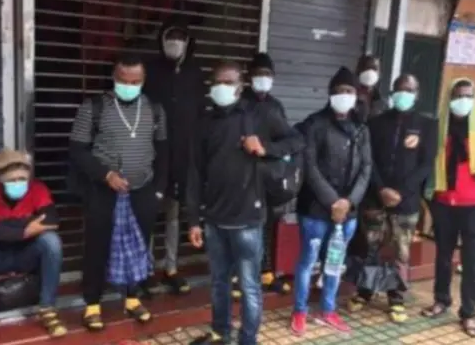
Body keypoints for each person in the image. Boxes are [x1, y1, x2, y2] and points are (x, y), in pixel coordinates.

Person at [187, 60, 304, 345]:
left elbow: (297, 140)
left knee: (250, 286)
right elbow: (194, 172)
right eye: (217, 83)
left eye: (228, 82)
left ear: (240, 87)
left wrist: (265, 148)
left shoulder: (258, 115)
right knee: (219, 283)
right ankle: (220, 333)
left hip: (248, 221)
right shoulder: (205, 122)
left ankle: (247, 339)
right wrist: (193, 220)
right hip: (214, 219)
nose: (221, 88)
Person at [69, 53, 167, 331]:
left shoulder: (155, 110)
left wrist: (158, 190)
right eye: (123, 80)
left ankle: (133, 299)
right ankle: (92, 303)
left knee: (139, 246)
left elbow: (164, 151)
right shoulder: (94, 107)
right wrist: (105, 174)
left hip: (143, 191)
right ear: (114, 78)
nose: (129, 85)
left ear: (144, 80)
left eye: (135, 81)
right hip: (103, 192)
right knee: (97, 245)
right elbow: (77, 149)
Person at [347, 74, 437, 323]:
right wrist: (381, 189)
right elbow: (369, 160)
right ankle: (365, 291)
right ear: (392, 92)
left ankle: (396, 298)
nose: (403, 94)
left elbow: (426, 165)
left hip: (405, 201)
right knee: (371, 246)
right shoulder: (376, 123)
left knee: (401, 251)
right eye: (399, 89)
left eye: (408, 90)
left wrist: (401, 192)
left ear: (417, 94)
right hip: (376, 198)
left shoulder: (427, 125)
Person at [291, 67, 372, 336]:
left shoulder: (361, 128)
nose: (343, 95)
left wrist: (348, 202)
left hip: (348, 213)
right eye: (337, 91)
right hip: (315, 210)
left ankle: (328, 310)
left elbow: (366, 169)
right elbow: (310, 167)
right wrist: (333, 201)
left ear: (356, 94)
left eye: (348, 91)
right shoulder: (315, 124)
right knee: (307, 261)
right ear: (329, 94)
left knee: (335, 262)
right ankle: (300, 311)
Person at [0, 148, 65, 344]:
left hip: (25, 255)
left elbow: (52, 220)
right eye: (12, 180)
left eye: (22, 179)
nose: (18, 183)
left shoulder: (37, 189)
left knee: (51, 240)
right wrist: (24, 229)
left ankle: (47, 308)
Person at [142, 18, 205, 296]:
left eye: (180, 37)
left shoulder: (194, 73)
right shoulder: (151, 71)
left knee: (173, 215)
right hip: (153, 156)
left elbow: (201, 113)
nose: (175, 42)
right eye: (170, 36)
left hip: (184, 156)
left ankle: (171, 269)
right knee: (148, 214)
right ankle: (145, 270)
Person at [421, 78, 475, 338]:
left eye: (468, 95)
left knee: (472, 261)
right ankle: (441, 299)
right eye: (458, 95)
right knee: (443, 256)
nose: (463, 100)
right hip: (444, 203)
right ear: (449, 99)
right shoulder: (439, 128)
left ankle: (469, 313)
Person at [233, 52, 294, 296]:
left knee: (268, 225)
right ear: (249, 77)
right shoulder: (240, 105)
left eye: (267, 74)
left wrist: (270, 151)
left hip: (269, 178)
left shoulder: (275, 107)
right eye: (258, 74)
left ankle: (267, 272)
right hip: (242, 178)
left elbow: (290, 140)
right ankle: (238, 277)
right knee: (242, 229)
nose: (262, 79)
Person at [355, 54, 387, 121]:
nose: (370, 72)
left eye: (374, 68)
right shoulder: (348, 96)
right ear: (358, 71)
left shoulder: (382, 104)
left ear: (379, 74)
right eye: (367, 68)